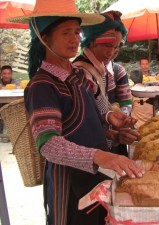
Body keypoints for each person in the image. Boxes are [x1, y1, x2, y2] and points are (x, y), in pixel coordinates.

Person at [9, 0, 144, 224]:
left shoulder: (78, 75)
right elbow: (49, 145)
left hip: (96, 177)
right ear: (44, 38)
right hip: (69, 184)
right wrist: (100, 156)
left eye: (77, 32)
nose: (74, 39)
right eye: (65, 33)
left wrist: (111, 124)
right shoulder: (42, 86)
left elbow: (94, 108)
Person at [74, 13, 137, 156]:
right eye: (107, 45)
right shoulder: (81, 72)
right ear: (91, 41)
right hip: (88, 156)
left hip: (102, 149)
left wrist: (112, 125)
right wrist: (111, 130)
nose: (112, 52)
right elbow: (81, 122)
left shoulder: (98, 70)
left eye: (116, 46)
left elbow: (97, 112)